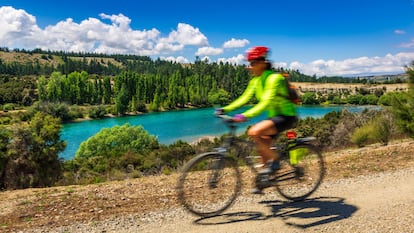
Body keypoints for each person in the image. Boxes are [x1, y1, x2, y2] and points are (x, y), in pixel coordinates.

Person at [215, 46, 298, 194]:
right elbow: (244, 98)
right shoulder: (256, 81)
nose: (250, 67)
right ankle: (264, 180)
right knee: (261, 145)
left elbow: (265, 102)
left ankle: (277, 160)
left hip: (286, 116)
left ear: (262, 63)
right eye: (249, 63)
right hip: (274, 117)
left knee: (254, 132)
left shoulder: (275, 78)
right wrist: (225, 109)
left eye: (252, 63)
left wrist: (245, 116)